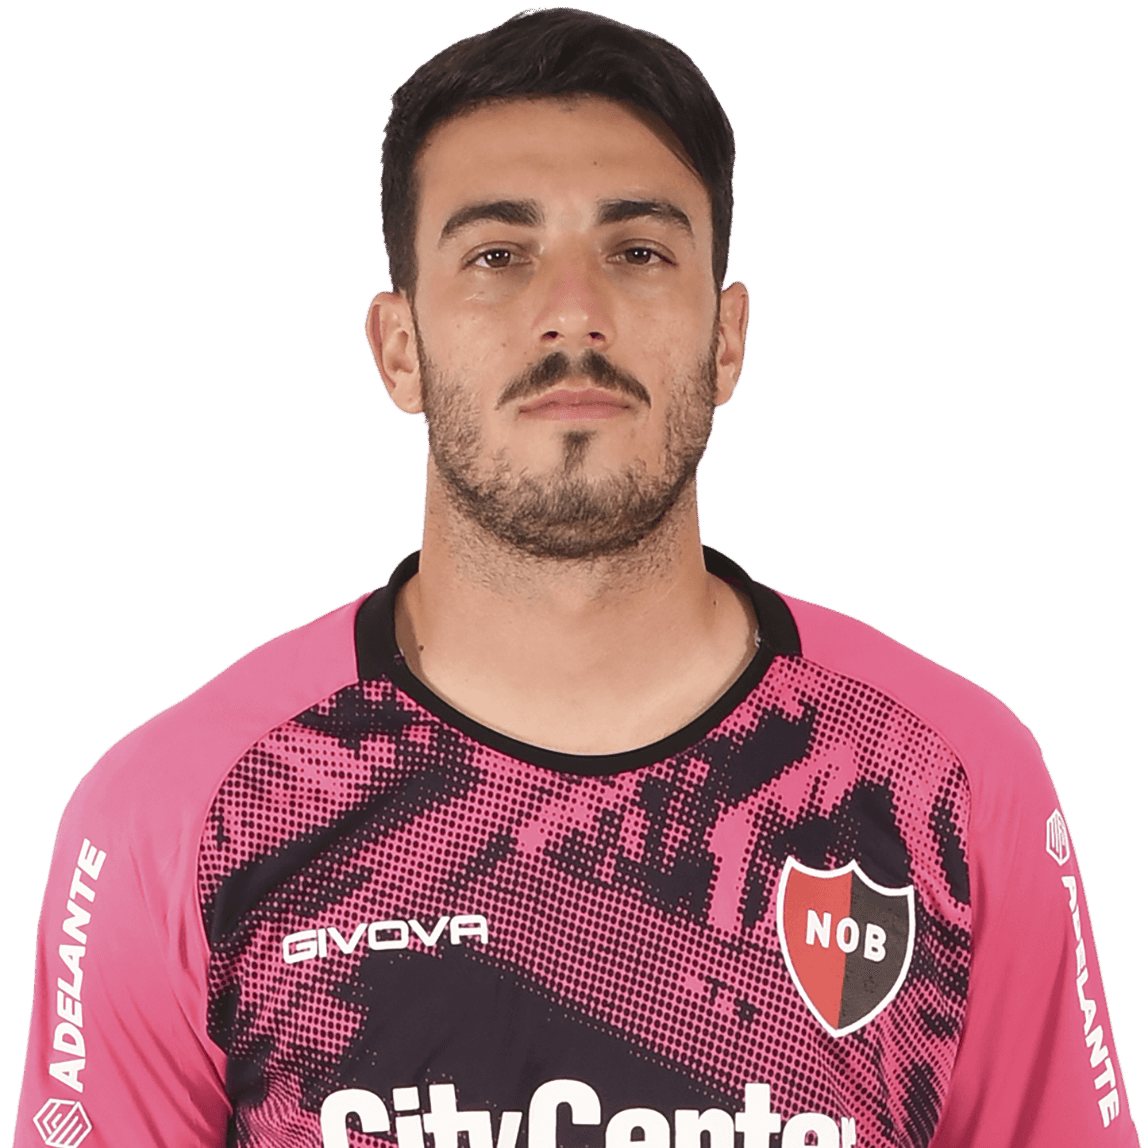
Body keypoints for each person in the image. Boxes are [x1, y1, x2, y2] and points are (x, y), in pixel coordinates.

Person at [12, 8, 1138, 1148]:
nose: (573, 315)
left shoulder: (950, 776)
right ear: (398, 349)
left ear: (726, 338)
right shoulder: (177, 812)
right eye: (497, 256)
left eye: (637, 251)